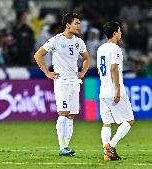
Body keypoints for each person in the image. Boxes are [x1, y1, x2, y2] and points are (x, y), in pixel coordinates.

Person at [34, 13, 90, 156]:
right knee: (63, 113)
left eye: (79, 23)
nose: (79, 26)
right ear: (68, 25)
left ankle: (67, 147)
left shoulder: (79, 42)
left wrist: (83, 71)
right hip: (62, 82)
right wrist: (47, 72)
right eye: (76, 23)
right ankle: (62, 146)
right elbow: (38, 55)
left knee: (71, 115)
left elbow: (86, 58)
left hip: (74, 81)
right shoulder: (56, 40)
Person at [97, 21, 135, 161]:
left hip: (103, 90)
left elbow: (100, 70)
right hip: (114, 90)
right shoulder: (116, 49)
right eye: (119, 30)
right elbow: (114, 68)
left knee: (107, 123)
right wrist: (117, 89)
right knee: (129, 120)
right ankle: (111, 146)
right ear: (114, 33)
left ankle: (106, 152)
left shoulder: (100, 48)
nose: (121, 33)